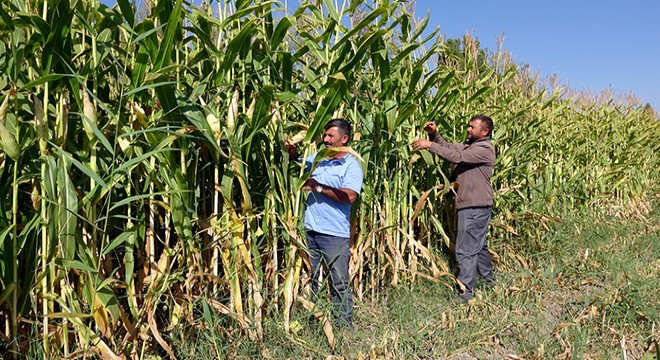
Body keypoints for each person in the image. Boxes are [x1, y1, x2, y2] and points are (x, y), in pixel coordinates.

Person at [285, 118, 364, 327]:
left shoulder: (351, 166)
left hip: (334, 233)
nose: (325, 139)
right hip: (310, 230)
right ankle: (317, 321)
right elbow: (299, 163)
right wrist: (292, 152)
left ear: (344, 139)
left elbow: (349, 196)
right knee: (314, 278)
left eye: (331, 136)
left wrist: (318, 187)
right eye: (325, 135)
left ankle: (343, 324)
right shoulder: (319, 159)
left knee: (338, 280)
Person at [411, 115, 496, 303]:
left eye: (472, 127)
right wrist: (435, 135)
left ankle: (465, 294)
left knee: (466, 250)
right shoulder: (470, 146)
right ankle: (489, 284)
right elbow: (450, 148)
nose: (468, 129)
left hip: (474, 205)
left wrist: (429, 145)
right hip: (474, 205)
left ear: (485, 132)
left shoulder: (484, 149)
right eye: (468, 126)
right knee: (479, 247)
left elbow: (457, 156)